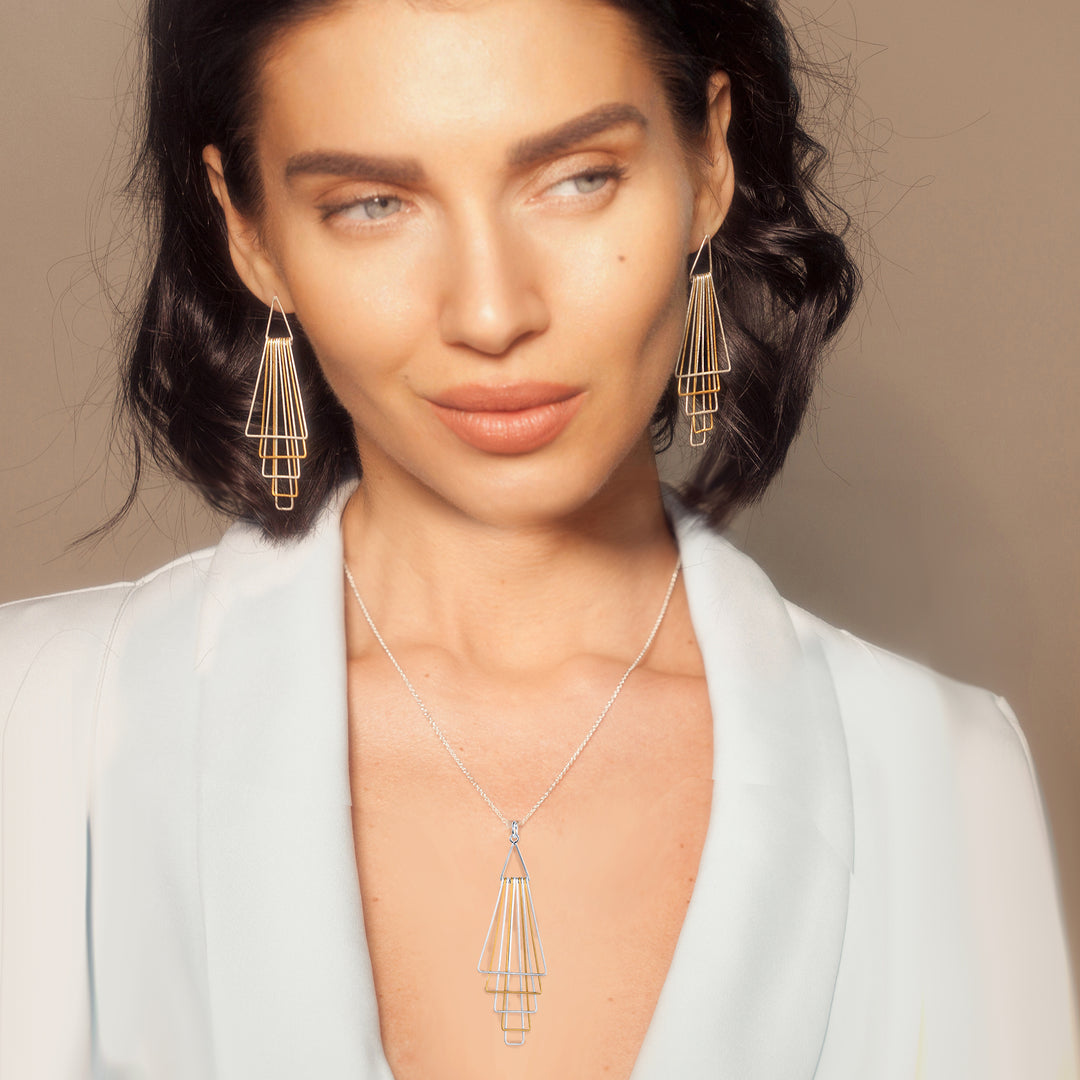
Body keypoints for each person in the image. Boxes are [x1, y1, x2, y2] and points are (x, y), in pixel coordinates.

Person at [1, 0, 1076, 1077]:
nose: (490, 312)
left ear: (709, 163)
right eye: (373, 203)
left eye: (577, 179)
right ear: (250, 233)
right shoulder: (34, 730)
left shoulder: (940, 775)